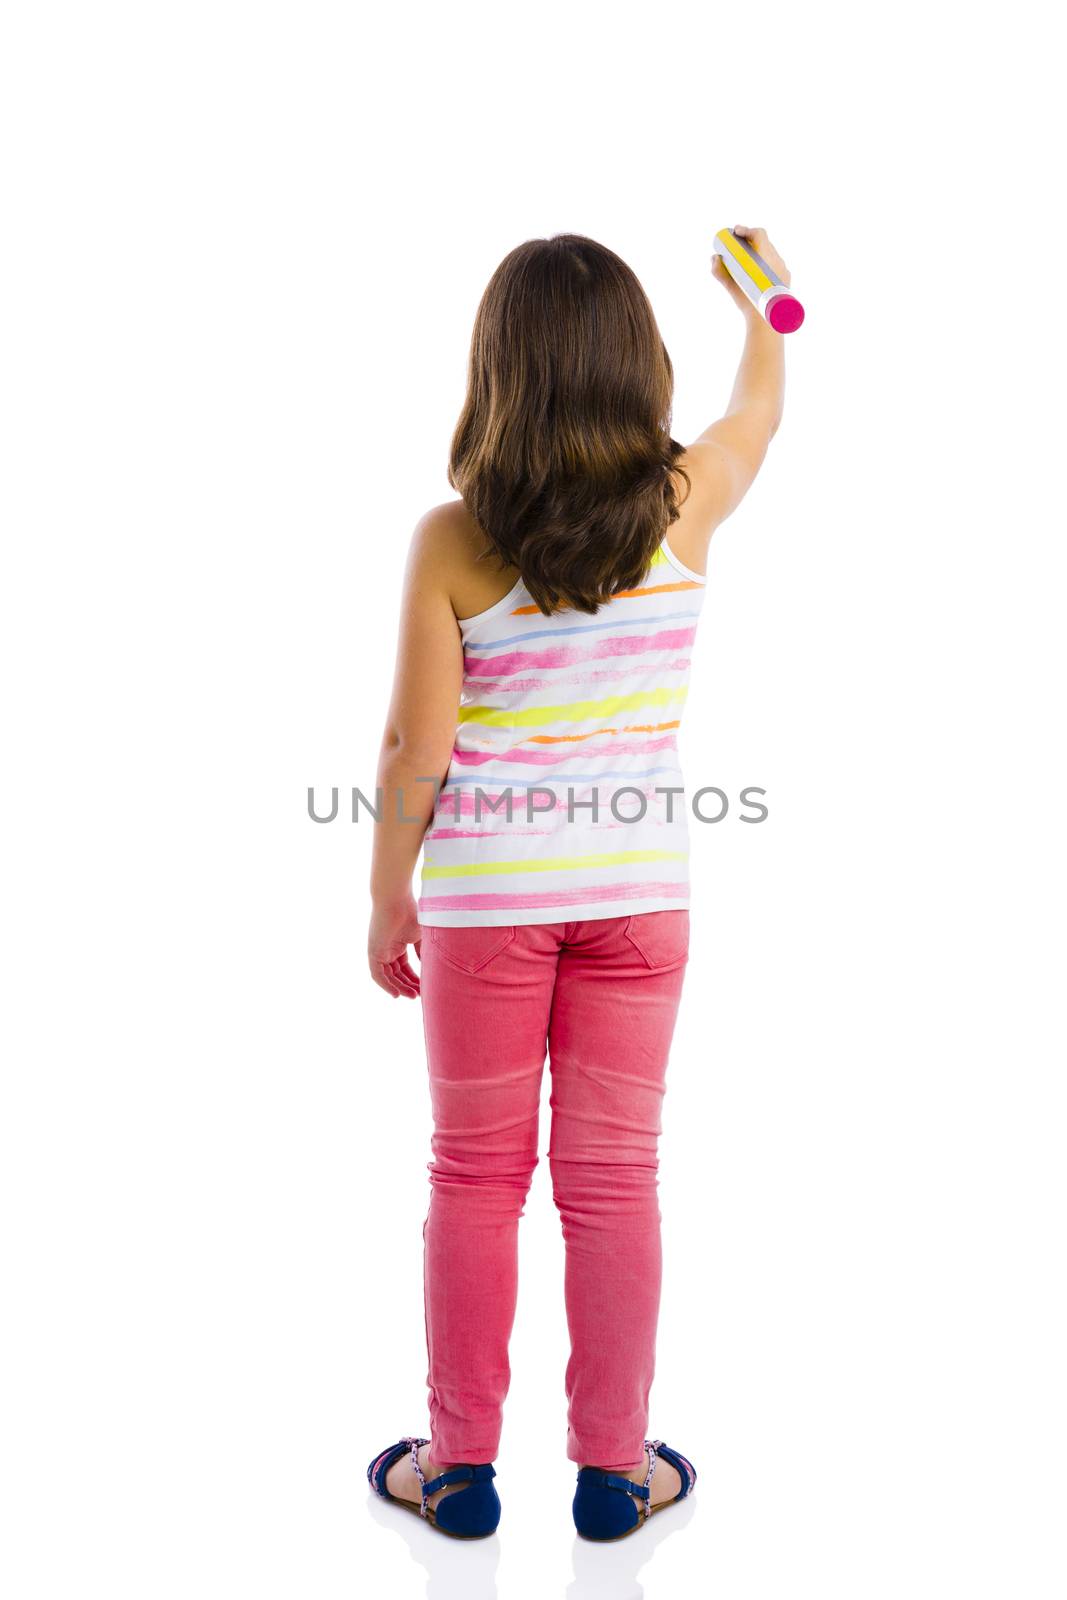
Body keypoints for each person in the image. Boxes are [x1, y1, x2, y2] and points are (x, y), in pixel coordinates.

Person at [365, 228, 790, 1540]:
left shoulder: (454, 541)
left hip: (489, 908)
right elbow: (758, 407)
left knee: (475, 1180)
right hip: (639, 901)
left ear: (499, 374)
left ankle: (458, 1469)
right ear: (634, 367)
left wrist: (388, 897)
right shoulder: (685, 500)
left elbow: (412, 749)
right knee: (613, 1181)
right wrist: (764, 294)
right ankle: (614, 1473)